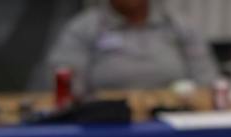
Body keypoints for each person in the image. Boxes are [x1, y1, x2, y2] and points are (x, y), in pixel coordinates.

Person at [39, 0, 219, 97]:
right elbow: (66, 83)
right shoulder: (83, 27)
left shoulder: (179, 25)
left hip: (173, 118)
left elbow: (207, 81)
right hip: (106, 124)